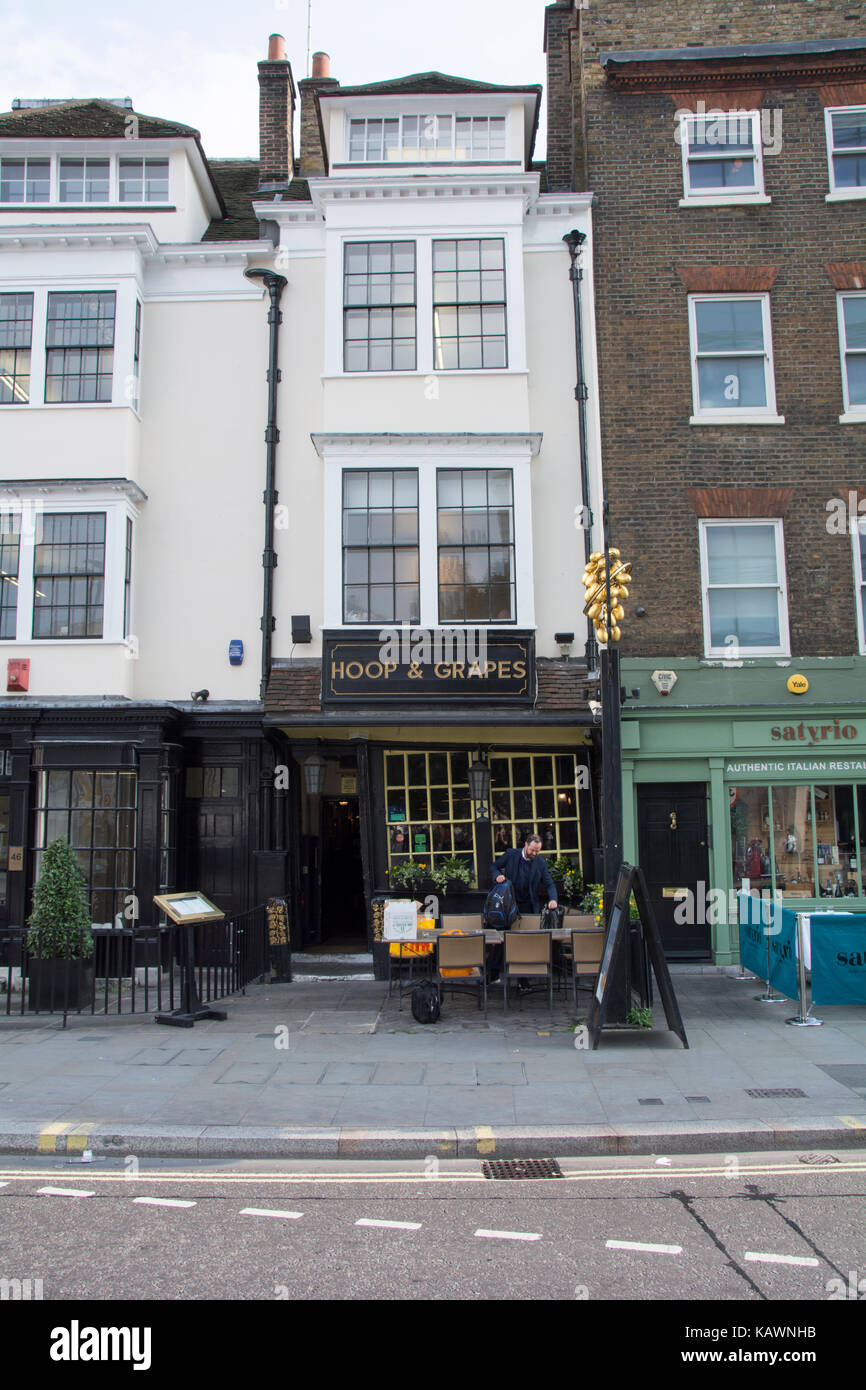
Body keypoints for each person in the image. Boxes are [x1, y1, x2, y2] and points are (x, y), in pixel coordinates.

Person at [487, 833, 558, 988]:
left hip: (527, 906)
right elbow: (494, 866)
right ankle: (492, 974)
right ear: (526, 844)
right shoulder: (511, 855)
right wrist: (497, 875)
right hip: (508, 904)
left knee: (524, 942)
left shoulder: (540, 863)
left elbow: (549, 883)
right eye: (532, 850)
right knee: (501, 939)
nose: (534, 854)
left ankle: (522, 979)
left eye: (537, 851)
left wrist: (553, 899)